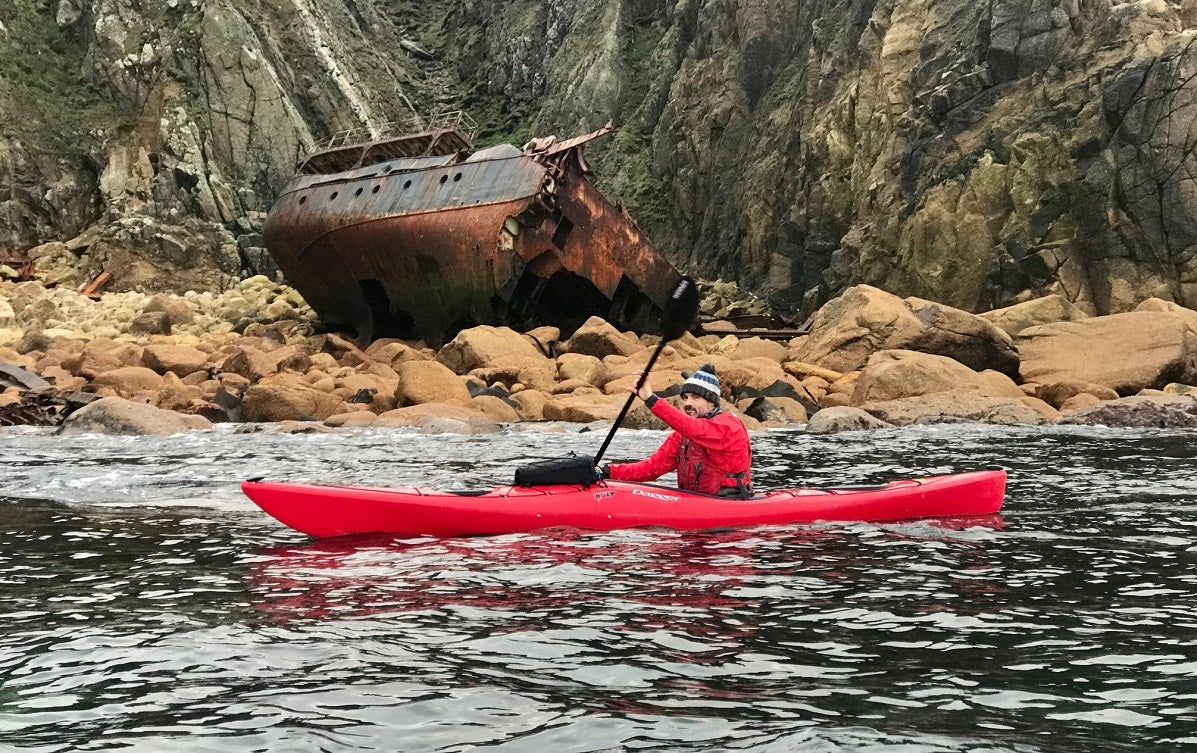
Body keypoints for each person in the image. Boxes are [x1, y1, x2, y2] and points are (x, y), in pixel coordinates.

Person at [599, 363, 753, 497]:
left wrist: (650, 398)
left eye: (695, 397)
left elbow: (692, 428)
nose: (688, 403)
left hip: (728, 501)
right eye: (685, 397)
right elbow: (652, 468)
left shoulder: (728, 426)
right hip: (696, 502)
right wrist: (606, 472)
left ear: (712, 403)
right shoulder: (682, 437)